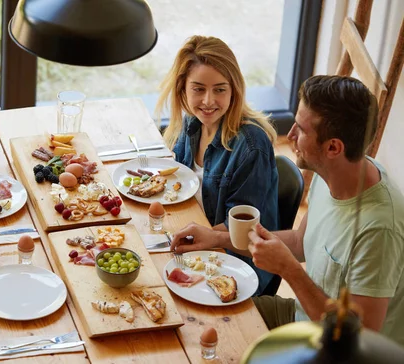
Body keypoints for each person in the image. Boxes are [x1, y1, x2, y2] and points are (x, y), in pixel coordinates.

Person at [173, 75, 404, 346]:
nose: (290, 135)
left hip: (337, 349)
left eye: (302, 130)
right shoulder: (335, 171)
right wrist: (219, 238)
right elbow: (299, 242)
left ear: (333, 147)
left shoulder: (379, 230)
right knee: (192, 317)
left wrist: (290, 270)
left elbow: (359, 339)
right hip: (303, 318)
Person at [156, 35, 279, 295]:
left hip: (237, 264)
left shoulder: (251, 146)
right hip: (198, 244)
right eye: (198, 89)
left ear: (234, 89)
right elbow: (176, 185)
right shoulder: (191, 125)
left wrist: (189, 236)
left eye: (220, 89)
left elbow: (242, 231)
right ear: (183, 89)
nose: (209, 101)